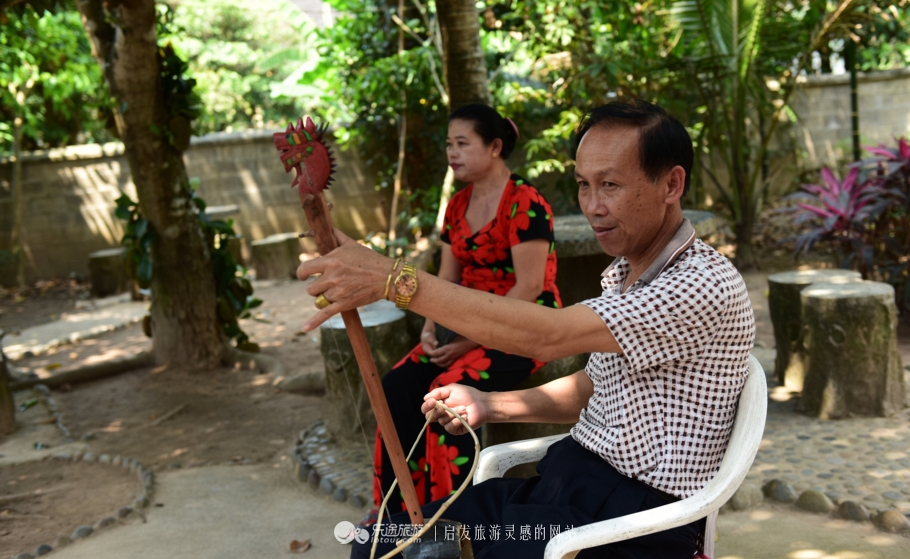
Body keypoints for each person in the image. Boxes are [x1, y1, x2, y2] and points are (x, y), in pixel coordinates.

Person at [298, 100, 755, 559]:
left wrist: (393, 281)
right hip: (565, 487)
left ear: (671, 183)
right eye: (583, 185)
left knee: (413, 555)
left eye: (610, 185)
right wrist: (487, 404)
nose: (593, 206)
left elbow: (548, 335)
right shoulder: (625, 273)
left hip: (629, 523)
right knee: (381, 544)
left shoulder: (701, 283)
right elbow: (593, 386)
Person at [368, 103, 562, 521]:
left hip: (522, 325)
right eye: (448, 144)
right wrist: (430, 326)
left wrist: (465, 342)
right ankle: (398, 512)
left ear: (494, 146)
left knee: (447, 396)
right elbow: (445, 278)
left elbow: (528, 289)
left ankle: (449, 517)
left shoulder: (526, 202)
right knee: (397, 385)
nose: (452, 153)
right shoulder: (455, 206)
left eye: (462, 143)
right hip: (462, 325)